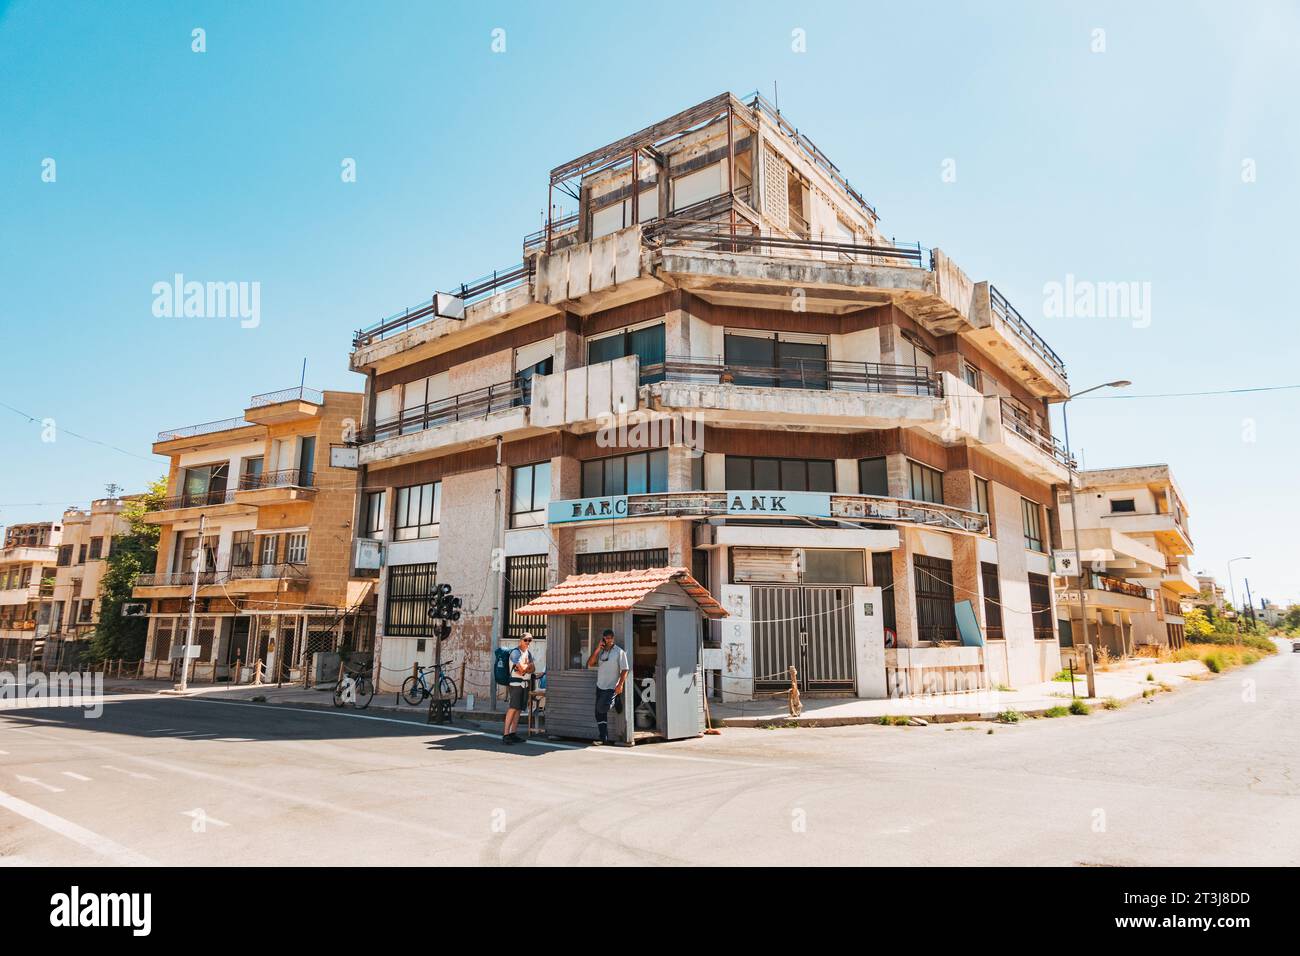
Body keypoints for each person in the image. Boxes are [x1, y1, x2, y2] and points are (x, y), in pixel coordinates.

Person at [585, 628, 628, 745]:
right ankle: (603, 738)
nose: (608, 640)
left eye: (610, 638)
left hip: (611, 686)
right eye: (606, 638)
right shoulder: (601, 652)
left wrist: (620, 684)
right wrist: (598, 648)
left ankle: (616, 700)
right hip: (600, 685)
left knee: (602, 708)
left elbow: (625, 669)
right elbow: (590, 663)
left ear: (613, 638)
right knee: (598, 713)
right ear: (603, 638)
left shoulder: (620, 652)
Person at [502, 633, 535, 745]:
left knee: (519, 709)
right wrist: (526, 667)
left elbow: (532, 668)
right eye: (526, 640)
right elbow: (521, 670)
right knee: (513, 708)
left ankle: (513, 733)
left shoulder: (528, 653)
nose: (528, 642)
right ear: (520, 640)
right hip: (516, 684)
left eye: (530, 640)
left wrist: (526, 667)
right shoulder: (515, 653)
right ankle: (506, 734)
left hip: (525, 684)